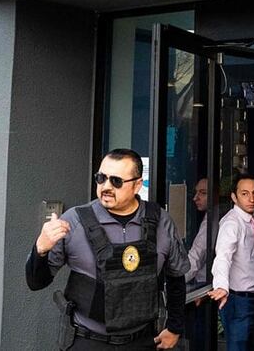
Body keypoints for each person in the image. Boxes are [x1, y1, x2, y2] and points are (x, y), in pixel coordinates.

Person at [25, 148, 189, 350]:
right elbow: (36, 282)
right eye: (101, 178)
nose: (106, 186)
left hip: (142, 340)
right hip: (88, 340)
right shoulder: (74, 221)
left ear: (137, 185)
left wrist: (174, 327)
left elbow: (176, 278)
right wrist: (41, 249)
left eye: (116, 181)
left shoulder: (161, 221)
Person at [208, 173, 254, 351]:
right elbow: (223, 256)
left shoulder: (250, 220)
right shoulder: (232, 223)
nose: (251, 199)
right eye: (244, 194)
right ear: (234, 197)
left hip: (253, 297)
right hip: (238, 300)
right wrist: (221, 286)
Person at [185, 177, 209, 284]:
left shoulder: (211, 221)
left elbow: (197, 256)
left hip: (204, 283)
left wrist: (176, 282)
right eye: (196, 192)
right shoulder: (211, 217)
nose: (195, 198)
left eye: (203, 193)